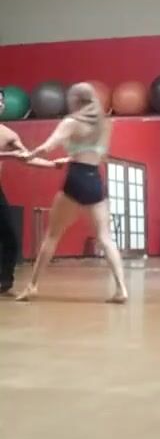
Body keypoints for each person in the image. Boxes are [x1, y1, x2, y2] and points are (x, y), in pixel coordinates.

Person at [15, 82, 128, 303]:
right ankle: (121, 289)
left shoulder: (71, 122)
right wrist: (70, 158)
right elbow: (99, 156)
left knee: (52, 236)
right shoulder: (105, 124)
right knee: (105, 238)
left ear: (74, 100)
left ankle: (32, 286)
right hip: (94, 180)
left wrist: (29, 155)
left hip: (75, 179)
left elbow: (48, 146)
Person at [0, 88, 59, 296]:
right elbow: (14, 156)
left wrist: (52, 165)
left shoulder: (8, 134)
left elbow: (26, 157)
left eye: (1, 101)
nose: (0, 105)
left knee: (10, 237)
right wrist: (10, 155)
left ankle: (4, 282)